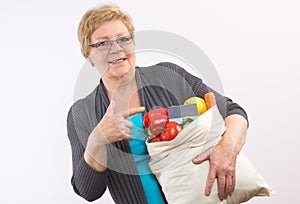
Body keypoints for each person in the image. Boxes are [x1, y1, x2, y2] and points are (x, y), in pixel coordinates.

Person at [67, 3, 248, 203]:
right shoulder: (82, 112)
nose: (117, 48)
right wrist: (97, 141)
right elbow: (88, 192)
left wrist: (227, 149)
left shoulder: (168, 76)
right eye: (103, 43)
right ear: (88, 55)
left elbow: (232, 111)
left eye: (124, 39)